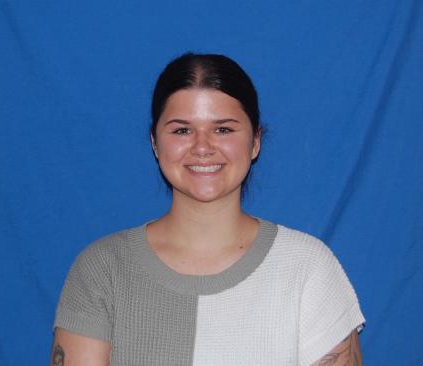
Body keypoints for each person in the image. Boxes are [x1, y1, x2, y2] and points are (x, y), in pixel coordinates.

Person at [51, 53, 365, 365]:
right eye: (182, 130)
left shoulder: (308, 267)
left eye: (223, 129)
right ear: (155, 143)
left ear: (255, 141)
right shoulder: (101, 270)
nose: (202, 147)